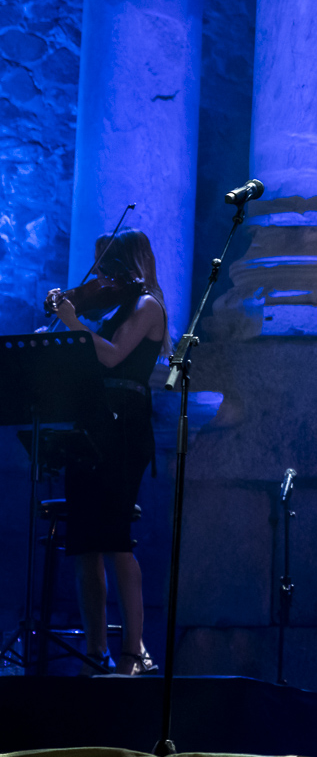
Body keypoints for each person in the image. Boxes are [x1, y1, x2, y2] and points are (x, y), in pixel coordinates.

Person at [46, 228, 166, 676]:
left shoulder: (147, 305)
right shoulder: (113, 306)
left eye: (110, 264)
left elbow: (114, 357)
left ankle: (133, 653)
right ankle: (96, 650)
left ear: (130, 261)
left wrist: (75, 323)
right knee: (84, 544)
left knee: (115, 538)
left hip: (124, 425)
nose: (103, 275)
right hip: (93, 420)